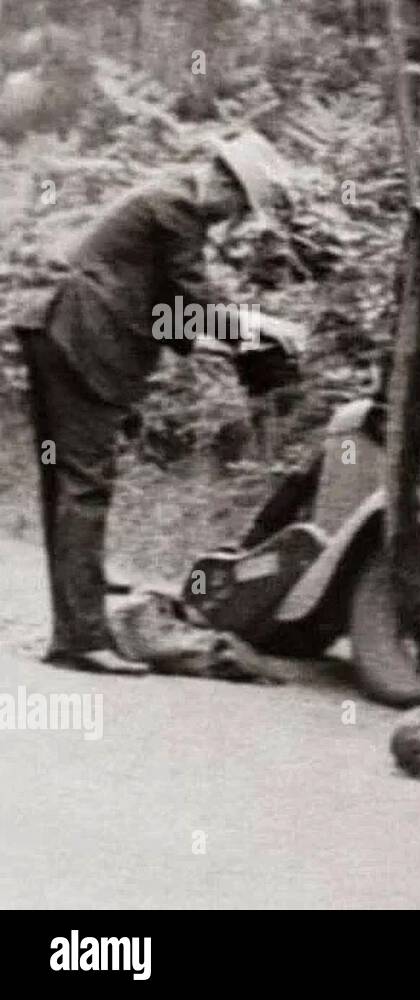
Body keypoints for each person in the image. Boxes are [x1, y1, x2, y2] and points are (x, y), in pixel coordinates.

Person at [11, 131, 299, 674]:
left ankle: (78, 612)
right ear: (222, 180)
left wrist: (227, 342)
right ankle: (81, 637)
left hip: (61, 334)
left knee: (67, 481)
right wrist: (260, 325)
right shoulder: (177, 207)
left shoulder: (169, 204)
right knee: (85, 485)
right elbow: (193, 299)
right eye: (237, 206)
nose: (231, 219)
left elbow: (171, 311)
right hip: (81, 339)